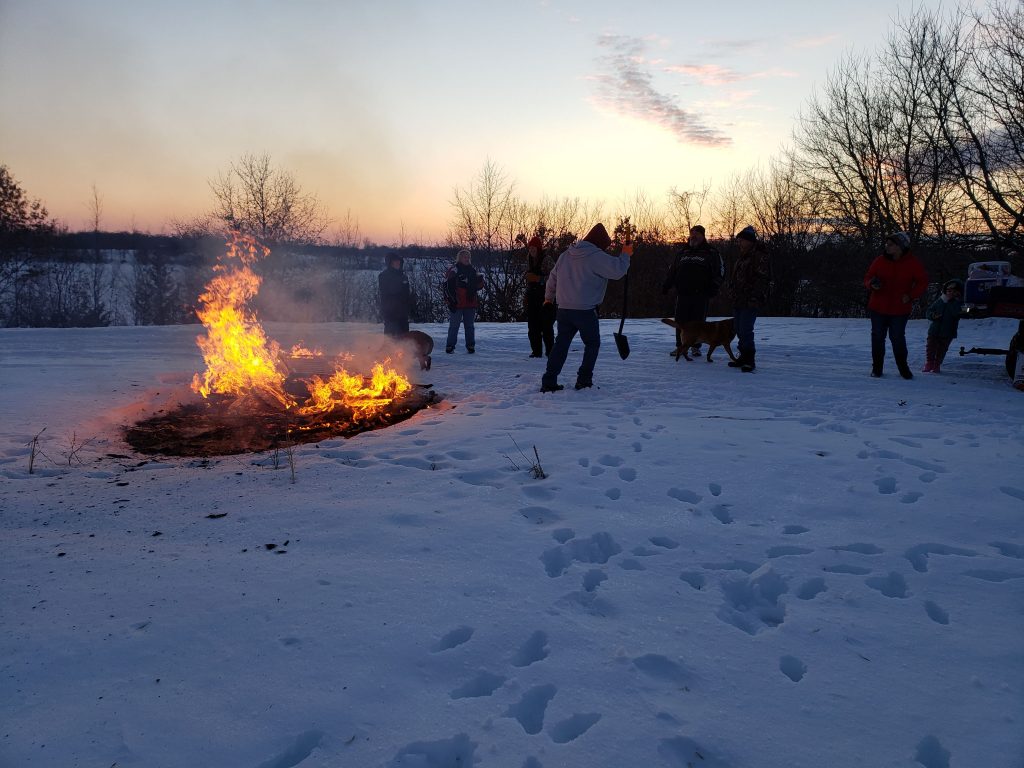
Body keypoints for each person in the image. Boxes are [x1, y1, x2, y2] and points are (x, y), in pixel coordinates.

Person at [540, 223, 632, 392]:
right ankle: (584, 380)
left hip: (564, 310)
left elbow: (552, 279)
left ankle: (549, 380)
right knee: (592, 344)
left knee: (560, 345)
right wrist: (626, 254)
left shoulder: (565, 255)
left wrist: (548, 299)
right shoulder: (596, 256)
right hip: (585, 311)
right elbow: (618, 270)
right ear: (600, 243)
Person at [863, 231, 928, 379]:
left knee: (897, 338)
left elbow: (922, 282)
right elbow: (867, 278)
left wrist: (911, 295)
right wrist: (872, 284)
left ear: (900, 246)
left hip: (899, 309)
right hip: (878, 307)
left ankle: (903, 368)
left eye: (891, 244)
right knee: (878, 337)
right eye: (887, 244)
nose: (887, 246)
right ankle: (877, 368)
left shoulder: (912, 263)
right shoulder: (879, 260)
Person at [662, 224, 723, 356]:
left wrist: (714, 286)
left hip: (701, 294)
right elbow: (672, 270)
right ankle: (680, 346)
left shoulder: (711, 252)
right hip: (683, 293)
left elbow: (720, 271)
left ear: (702, 236)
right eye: (692, 233)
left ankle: (696, 347)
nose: (693, 236)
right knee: (680, 321)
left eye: (697, 234)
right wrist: (667, 285)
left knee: (698, 322)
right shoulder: (682, 252)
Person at [725, 226, 771, 373]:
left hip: (750, 300)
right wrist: (732, 291)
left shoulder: (759, 256)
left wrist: (754, 296)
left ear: (749, 241)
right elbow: (735, 278)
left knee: (745, 329)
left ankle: (749, 360)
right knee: (738, 328)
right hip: (738, 299)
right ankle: (743, 357)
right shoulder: (742, 256)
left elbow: (763, 279)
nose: (739, 242)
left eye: (742, 239)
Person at [444, 249, 484, 353]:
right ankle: (450, 346)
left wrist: (480, 282)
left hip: (470, 303)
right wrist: (450, 301)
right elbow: (446, 287)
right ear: (459, 258)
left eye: (468, 257)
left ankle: (470, 346)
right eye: (464, 257)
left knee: (470, 327)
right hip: (457, 303)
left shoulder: (472, 270)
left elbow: (478, 287)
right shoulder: (454, 270)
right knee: (454, 326)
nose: (467, 259)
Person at [923, 279, 964, 373]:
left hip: (948, 331)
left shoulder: (958, 304)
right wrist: (933, 316)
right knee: (930, 347)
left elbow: (956, 313)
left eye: (953, 291)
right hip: (934, 330)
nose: (950, 293)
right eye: (949, 291)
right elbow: (929, 311)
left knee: (942, 349)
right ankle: (929, 363)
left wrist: (954, 302)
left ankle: (937, 364)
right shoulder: (940, 301)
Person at [524, 235, 556, 357]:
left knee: (547, 326)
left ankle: (550, 352)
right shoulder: (529, 259)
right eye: (530, 248)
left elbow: (555, 277)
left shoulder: (547, 259)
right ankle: (536, 352)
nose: (531, 250)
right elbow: (528, 276)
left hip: (546, 297)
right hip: (532, 296)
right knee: (532, 327)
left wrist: (539, 279)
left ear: (539, 248)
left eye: (534, 248)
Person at [377, 252, 410, 337]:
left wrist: (408, 305)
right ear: (390, 263)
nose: (398, 263)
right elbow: (386, 292)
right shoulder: (384, 276)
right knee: (390, 338)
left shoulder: (403, 276)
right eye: (395, 261)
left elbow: (407, 293)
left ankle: (405, 350)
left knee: (404, 337)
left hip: (403, 312)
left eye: (399, 261)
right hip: (390, 311)